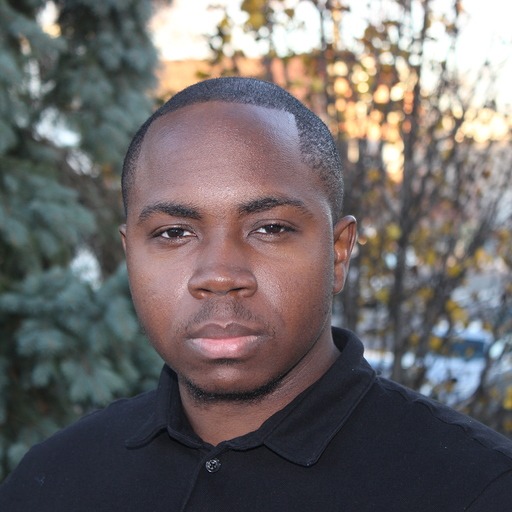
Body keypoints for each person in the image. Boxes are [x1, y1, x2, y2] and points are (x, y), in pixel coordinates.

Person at [0, 77, 511, 511]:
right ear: (130, 254)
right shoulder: (53, 482)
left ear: (338, 253)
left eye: (270, 228)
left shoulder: (477, 489)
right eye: (174, 233)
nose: (220, 275)